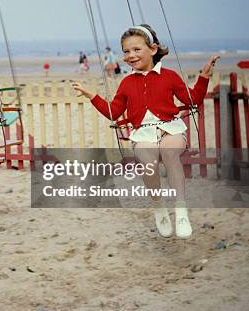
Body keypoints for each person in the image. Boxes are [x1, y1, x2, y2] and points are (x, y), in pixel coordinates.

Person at [72, 24, 219, 239]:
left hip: (170, 128)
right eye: (126, 51)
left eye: (136, 49)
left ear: (153, 49)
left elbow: (192, 100)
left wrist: (204, 76)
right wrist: (91, 95)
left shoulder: (170, 76)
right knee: (148, 165)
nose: (131, 55)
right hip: (143, 132)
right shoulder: (127, 82)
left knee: (170, 153)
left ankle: (180, 210)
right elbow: (114, 112)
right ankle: (159, 208)